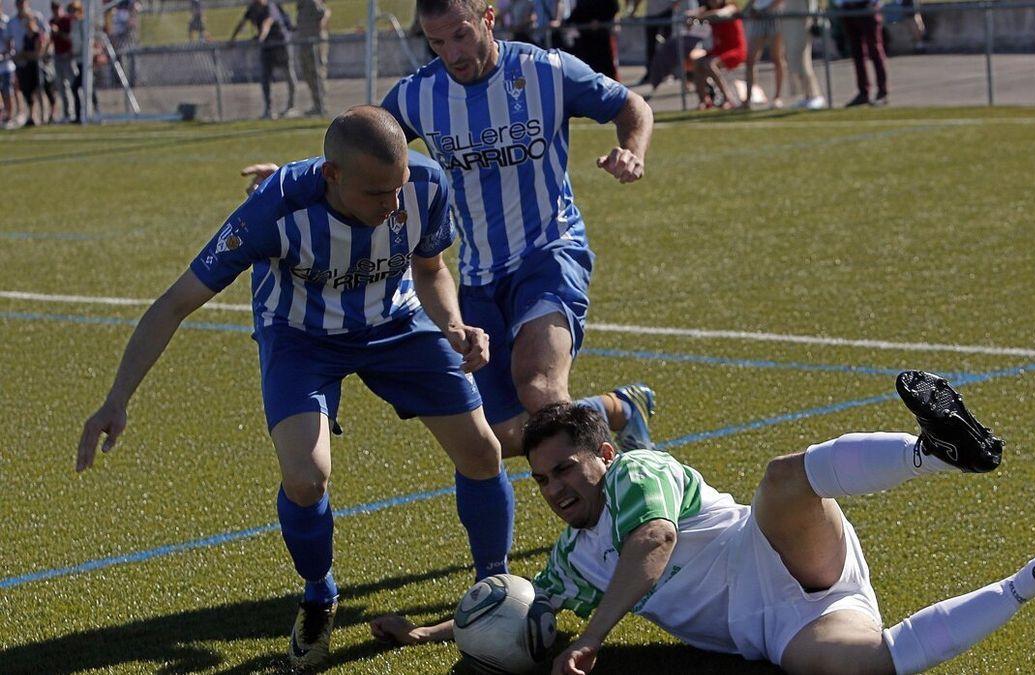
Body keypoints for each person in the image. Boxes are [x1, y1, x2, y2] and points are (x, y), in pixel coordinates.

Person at [76, 106, 516, 672]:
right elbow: (175, 303)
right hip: (300, 338)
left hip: (396, 324)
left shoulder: (425, 183)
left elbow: (430, 268)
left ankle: (493, 590)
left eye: (397, 187)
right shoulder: (274, 209)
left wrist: (453, 325)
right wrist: (117, 398)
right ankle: (319, 594)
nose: (392, 205)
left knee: (482, 450)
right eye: (376, 193)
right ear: (332, 175)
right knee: (306, 479)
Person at [371, 371, 1035, 675]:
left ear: (601, 452)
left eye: (565, 468)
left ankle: (937, 454)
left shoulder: (638, 472)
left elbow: (653, 543)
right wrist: (432, 632)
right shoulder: (569, 557)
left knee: (783, 479)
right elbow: (527, 599)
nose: (555, 487)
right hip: (774, 630)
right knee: (868, 664)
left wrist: (592, 639)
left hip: (778, 548)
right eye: (541, 479)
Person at [248, 0, 658, 460]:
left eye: (460, 35)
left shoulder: (546, 71)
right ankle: (619, 409)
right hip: (478, 275)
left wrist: (632, 151)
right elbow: (361, 145)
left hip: (551, 252)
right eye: (437, 42)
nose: (452, 53)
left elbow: (632, 106)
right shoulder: (417, 96)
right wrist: (293, 177)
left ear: (488, 18)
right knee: (502, 435)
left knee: (539, 387)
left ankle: (612, 514)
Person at [230, 0, 296, 118]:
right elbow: (242, 23)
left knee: (288, 74)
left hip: (280, 44)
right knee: (265, 78)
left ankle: (291, 106)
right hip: (266, 47)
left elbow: (267, 23)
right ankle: (268, 110)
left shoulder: (270, 7)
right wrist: (232, 39)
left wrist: (261, 38)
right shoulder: (253, 8)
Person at [685, 0, 744, 109]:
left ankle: (728, 99)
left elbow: (720, 13)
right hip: (719, 50)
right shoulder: (706, 10)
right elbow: (689, 15)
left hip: (734, 50)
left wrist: (700, 16)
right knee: (698, 62)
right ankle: (704, 101)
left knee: (709, 64)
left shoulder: (731, 7)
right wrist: (692, 17)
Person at [834, 0, 886, 106]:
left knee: (875, 51)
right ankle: (863, 93)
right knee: (857, 53)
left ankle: (882, 92)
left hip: (867, 7)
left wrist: (874, 3)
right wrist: (840, 3)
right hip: (849, 8)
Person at [740, 0, 787, 109]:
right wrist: (748, 9)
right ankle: (748, 99)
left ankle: (777, 97)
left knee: (777, 57)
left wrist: (768, 10)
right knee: (750, 60)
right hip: (758, 15)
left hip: (774, 14)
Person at [783, 0, 825, 109]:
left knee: (804, 62)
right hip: (791, 23)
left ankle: (815, 95)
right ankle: (807, 96)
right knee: (796, 61)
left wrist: (810, 17)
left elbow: (811, 5)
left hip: (803, 23)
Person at [295, 0, 330, 116]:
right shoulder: (301, 5)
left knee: (317, 72)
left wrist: (320, 27)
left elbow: (325, 12)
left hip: (315, 43)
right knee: (307, 73)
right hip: (304, 43)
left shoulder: (312, 2)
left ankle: (322, 105)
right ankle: (316, 104)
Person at [49, 1, 75, 123]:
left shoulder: (67, 20)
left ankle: (80, 111)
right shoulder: (51, 21)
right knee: (61, 86)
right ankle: (67, 113)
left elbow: (70, 38)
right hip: (57, 56)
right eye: (53, 9)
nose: (55, 11)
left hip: (68, 57)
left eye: (57, 8)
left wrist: (58, 31)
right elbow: (51, 40)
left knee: (74, 84)